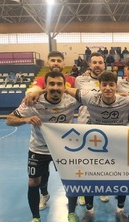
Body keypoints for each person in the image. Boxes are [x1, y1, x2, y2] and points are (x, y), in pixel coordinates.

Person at [6, 71, 81, 222]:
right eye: (51, 84)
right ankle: (35, 218)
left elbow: (96, 97)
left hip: (64, 149)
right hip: (38, 148)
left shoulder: (71, 101)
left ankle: (72, 213)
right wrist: (26, 120)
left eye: (59, 84)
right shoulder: (33, 102)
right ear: (45, 86)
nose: (55, 88)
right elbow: (9, 119)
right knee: (33, 182)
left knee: (71, 181)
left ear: (64, 87)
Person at [65, 70, 129, 222]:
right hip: (96, 146)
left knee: (121, 179)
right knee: (90, 178)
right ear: (99, 86)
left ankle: (120, 210)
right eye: (104, 85)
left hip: (119, 147)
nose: (108, 88)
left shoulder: (127, 101)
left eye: (111, 85)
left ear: (116, 86)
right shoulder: (90, 98)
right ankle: (90, 211)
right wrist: (35, 93)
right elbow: (66, 89)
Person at [25, 51, 76, 210]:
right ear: (48, 63)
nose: (55, 63)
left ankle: (77, 194)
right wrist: (40, 90)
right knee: (41, 172)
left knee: (71, 170)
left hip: (66, 137)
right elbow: (31, 93)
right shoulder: (41, 80)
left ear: (63, 63)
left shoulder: (73, 80)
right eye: (52, 60)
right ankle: (44, 194)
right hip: (43, 136)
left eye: (58, 60)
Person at [73, 52, 109, 222]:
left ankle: (102, 190)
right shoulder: (80, 80)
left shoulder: (110, 80)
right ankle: (82, 191)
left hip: (103, 125)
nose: (97, 65)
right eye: (94, 62)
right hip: (84, 124)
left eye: (100, 62)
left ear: (104, 64)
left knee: (102, 161)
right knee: (84, 162)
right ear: (89, 64)